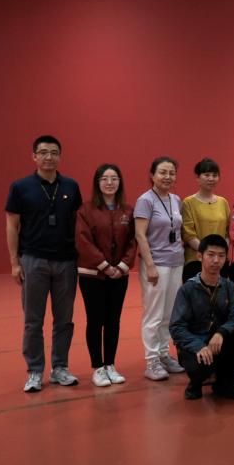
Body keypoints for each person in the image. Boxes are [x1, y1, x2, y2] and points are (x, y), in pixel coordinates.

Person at [6, 135, 83, 392]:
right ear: (34, 156)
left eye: (54, 152)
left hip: (66, 262)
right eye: (43, 152)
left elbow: (78, 224)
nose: (48, 157)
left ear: (60, 156)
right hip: (33, 260)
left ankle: (60, 367)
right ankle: (35, 371)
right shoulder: (21, 187)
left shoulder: (71, 186)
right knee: (33, 320)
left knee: (64, 320)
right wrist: (15, 263)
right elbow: (12, 226)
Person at [170, 235, 234, 400]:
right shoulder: (187, 289)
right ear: (200, 256)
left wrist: (221, 333)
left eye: (221, 256)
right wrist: (198, 346)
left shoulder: (228, 286)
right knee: (199, 366)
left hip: (219, 342)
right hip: (196, 344)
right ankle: (195, 383)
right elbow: (176, 327)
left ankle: (225, 381)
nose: (216, 260)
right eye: (211, 255)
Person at [75, 163, 136, 387]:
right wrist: (103, 265)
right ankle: (98, 367)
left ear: (120, 182)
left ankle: (110, 364)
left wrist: (122, 266)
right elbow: (83, 240)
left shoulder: (127, 211)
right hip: (92, 275)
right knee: (95, 320)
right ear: (97, 183)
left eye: (114, 178)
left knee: (113, 320)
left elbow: (133, 241)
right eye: (104, 179)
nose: (109, 183)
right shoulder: (85, 210)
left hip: (119, 276)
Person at [134, 156, 186, 381]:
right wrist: (150, 266)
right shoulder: (145, 200)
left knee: (169, 313)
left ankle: (164, 354)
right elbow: (140, 235)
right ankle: (152, 360)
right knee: (153, 314)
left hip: (176, 263)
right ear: (152, 175)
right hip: (157, 264)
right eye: (163, 172)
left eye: (172, 173)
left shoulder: (175, 199)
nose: (167, 177)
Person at [180, 157, 232, 283]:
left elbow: (228, 232)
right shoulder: (188, 202)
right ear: (197, 178)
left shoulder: (223, 202)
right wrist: (208, 254)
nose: (211, 178)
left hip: (220, 262)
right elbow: (188, 235)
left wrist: (219, 254)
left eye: (214, 175)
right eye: (206, 175)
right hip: (196, 260)